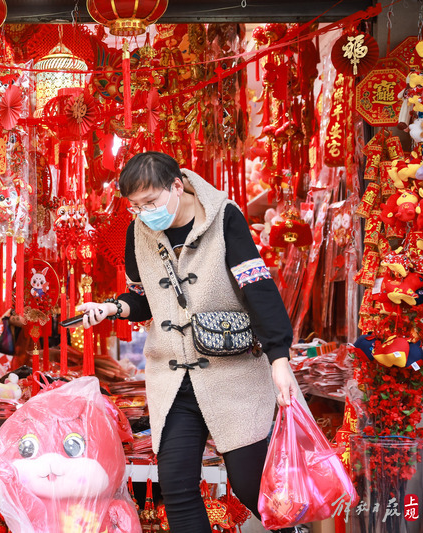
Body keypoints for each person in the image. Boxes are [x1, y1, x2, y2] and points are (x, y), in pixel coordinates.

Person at [77, 152, 300, 533]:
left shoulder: (225, 217)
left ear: (176, 186)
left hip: (232, 374)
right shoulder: (138, 233)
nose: (144, 213)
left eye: (150, 203)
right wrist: (112, 307)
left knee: (252, 487)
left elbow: (258, 289)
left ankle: (293, 529)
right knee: (177, 484)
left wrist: (280, 358)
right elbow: (144, 298)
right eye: (136, 207)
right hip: (173, 379)